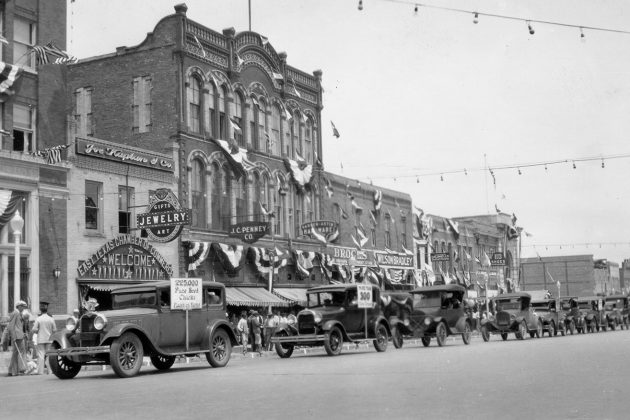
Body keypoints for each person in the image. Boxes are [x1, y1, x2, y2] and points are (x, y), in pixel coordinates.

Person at [32, 301, 57, 375]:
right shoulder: (51, 319)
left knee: (41, 355)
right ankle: (50, 371)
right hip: (49, 339)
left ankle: (40, 371)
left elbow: (34, 329)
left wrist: (37, 331)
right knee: (49, 355)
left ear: (41, 309)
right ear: (47, 309)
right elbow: (55, 330)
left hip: (41, 339)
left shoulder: (38, 319)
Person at [6, 300, 28, 376]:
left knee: (16, 353)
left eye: (24, 307)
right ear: (18, 306)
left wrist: (23, 333)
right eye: (22, 306)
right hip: (17, 337)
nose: (23, 308)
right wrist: (13, 336)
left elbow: (19, 326)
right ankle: (19, 370)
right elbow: (11, 326)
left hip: (20, 336)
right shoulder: (15, 313)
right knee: (19, 353)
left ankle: (13, 370)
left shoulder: (19, 313)